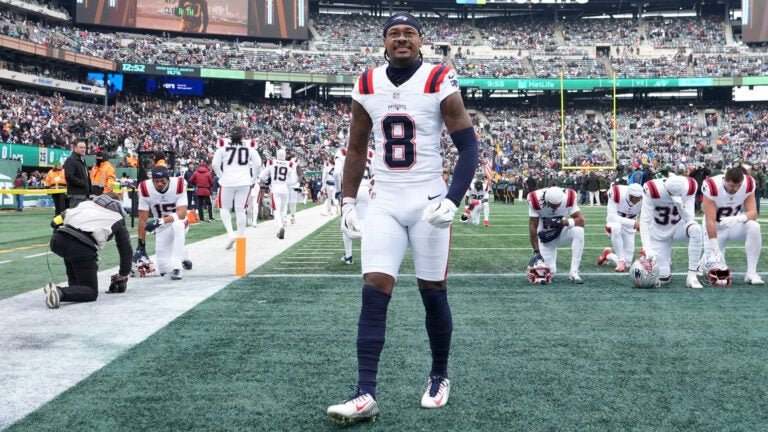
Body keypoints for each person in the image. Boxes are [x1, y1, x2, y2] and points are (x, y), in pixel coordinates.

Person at [326, 12, 478, 425]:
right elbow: (356, 149)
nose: (402, 39)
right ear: (384, 42)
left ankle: (439, 375)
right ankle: (364, 393)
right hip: (385, 200)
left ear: (420, 40)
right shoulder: (367, 82)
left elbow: (468, 147)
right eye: (394, 33)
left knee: (433, 290)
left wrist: (452, 198)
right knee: (374, 289)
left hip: (428, 200)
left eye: (409, 33)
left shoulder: (437, 78)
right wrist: (346, 202)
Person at [46, 194, 132, 309]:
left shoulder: (84, 204)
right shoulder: (117, 218)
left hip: (58, 240)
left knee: (77, 284)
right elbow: (125, 249)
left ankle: (72, 290)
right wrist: (123, 274)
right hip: (82, 246)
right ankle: (59, 292)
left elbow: (54, 222)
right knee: (90, 292)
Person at [700, 168, 763, 285]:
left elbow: (753, 213)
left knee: (754, 226)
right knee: (720, 279)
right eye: (732, 186)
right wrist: (714, 248)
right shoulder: (712, 185)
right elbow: (710, 220)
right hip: (715, 228)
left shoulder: (748, 183)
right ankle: (705, 261)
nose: (735, 189)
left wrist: (738, 218)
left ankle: (751, 273)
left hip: (734, 224)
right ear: (725, 180)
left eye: (738, 186)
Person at [639, 175, 703, 288]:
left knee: (696, 229)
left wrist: (681, 207)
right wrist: (647, 248)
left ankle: (692, 276)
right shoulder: (652, 189)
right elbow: (644, 221)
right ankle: (665, 258)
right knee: (663, 278)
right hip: (659, 233)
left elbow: (689, 219)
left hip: (679, 227)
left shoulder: (690, 186)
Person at [135, 166, 192, 281]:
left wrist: (160, 220)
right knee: (164, 268)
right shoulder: (145, 187)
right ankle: (183, 254)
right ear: (152, 181)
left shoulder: (179, 184)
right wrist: (141, 244)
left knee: (177, 225)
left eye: (163, 181)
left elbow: (181, 213)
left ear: (169, 179)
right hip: (161, 228)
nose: (160, 184)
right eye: (157, 181)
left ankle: (177, 268)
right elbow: (142, 218)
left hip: (178, 221)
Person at [212, 126, 262, 250]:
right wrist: (254, 178)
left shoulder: (222, 148)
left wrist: (221, 176)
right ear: (242, 136)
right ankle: (240, 239)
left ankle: (230, 234)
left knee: (224, 208)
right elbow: (258, 164)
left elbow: (214, 164)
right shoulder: (250, 149)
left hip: (227, 181)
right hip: (244, 181)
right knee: (241, 210)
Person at [527, 186, 585, 284]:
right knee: (549, 272)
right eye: (553, 205)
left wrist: (561, 222)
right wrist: (536, 251)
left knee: (579, 231)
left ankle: (573, 272)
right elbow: (533, 226)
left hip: (562, 232)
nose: (557, 207)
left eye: (558, 204)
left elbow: (581, 221)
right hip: (545, 236)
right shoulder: (534, 199)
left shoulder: (569, 197)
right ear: (546, 201)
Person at [336, 146, 375, 264]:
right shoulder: (371, 152)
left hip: (349, 190)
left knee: (347, 224)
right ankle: (368, 256)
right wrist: (370, 188)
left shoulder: (342, 151)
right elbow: (375, 175)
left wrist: (338, 190)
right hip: (365, 189)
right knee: (363, 223)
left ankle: (348, 256)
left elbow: (337, 173)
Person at [597, 183, 643, 272]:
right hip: (613, 224)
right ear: (629, 195)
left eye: (639, 197)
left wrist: (641, 224)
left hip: (629, 227)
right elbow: (612, 217)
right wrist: (634, 223)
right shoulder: (617, 193)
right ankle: (621, 260)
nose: (638, 200)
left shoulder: (644, 198)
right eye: (636, 197)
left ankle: (608, 255)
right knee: (616, 227)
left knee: (628, 263)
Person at [258, 148, 297, 240]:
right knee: (282, 210)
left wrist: (268, 181)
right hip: (285, 189)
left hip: (275, 189)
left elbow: (261, 176)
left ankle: (280, 227)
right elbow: (293, 180)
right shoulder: (289, 164)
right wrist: (287, 182)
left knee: (276, 210)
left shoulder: (272, 162)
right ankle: (282, 224)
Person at [63, 141, 92, 208]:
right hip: (76, 196)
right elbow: (69, 176)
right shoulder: (71, 160)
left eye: (84, 147)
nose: (83, 149)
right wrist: (83, 183)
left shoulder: (81, 160)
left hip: (84, 195)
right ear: (75, 148)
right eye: (81, 147)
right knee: (75, 216)